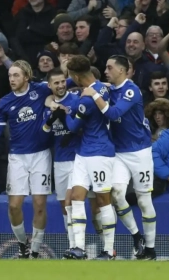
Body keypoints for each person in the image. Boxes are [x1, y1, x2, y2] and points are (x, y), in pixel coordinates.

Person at [81, 55, 157, 260]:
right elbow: (87, 81)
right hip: (118, 152)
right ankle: (136, 235)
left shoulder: (131, 90)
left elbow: (113, 114)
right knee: (116, 193)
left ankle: (150, 248)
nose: (106, 71)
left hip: (140, 151)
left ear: (123, 70)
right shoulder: (109, 89)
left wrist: (95, 94)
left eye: (109, 67)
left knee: (143, 200)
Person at [0, 60, 53, 259]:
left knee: (39, 204)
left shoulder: (40, 90)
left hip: (41, 154)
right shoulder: (5, 101)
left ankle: (35, 251)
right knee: (14, 205)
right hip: (17, 157)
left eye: (16, 75)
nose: (12, 79)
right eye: (10, 76)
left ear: (26, 76)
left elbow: (61, 85)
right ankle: (23, 244)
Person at [64, 55, 116, 260]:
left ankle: (108, 250)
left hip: (99, 153)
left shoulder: (86, 100)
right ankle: (79, 248)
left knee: (103, 199)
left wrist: (65, 110)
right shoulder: (101, 87)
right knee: (77, 197)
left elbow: (72, 127)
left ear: (77, 76)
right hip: (84, 153)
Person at [42, 67, 81, 258]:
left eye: (62, 81)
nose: (60, 85)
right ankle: (72, 244)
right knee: (63, 206)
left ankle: (76, 246)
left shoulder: (75, 100)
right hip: (59, 160)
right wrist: (51, 117)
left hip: (77, 158)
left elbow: (83, 123)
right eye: (56, 83)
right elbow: (45, 132)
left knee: (70, 201)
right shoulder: (47, 106)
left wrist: (67, 116)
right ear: (49, 85)